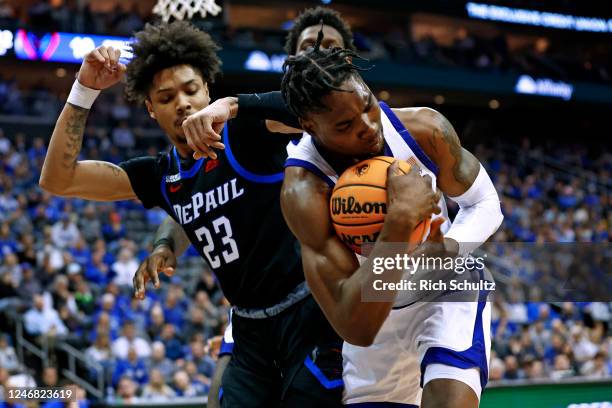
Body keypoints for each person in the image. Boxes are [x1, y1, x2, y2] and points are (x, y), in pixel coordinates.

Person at [39, 19, 367, 407]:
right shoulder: (160, 175)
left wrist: (235, 104)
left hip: (309, 311)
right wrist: (84, 90)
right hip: (249, 329)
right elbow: (59, 179)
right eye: (166, 98)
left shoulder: (245, 132)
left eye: (191, 90)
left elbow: (319, 107)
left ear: (207, 90)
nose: (182, 102)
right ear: (150, 110)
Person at [185, 40, 503, 407]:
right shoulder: (304, 191)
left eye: (367, 105)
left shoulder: (422, 129)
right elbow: (356, 326)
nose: (369, 127)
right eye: (345, 124)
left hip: (445, 290)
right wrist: (399, 222)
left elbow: (485, 203)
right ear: (307, 125)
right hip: (373, 313)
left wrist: (446, 249)